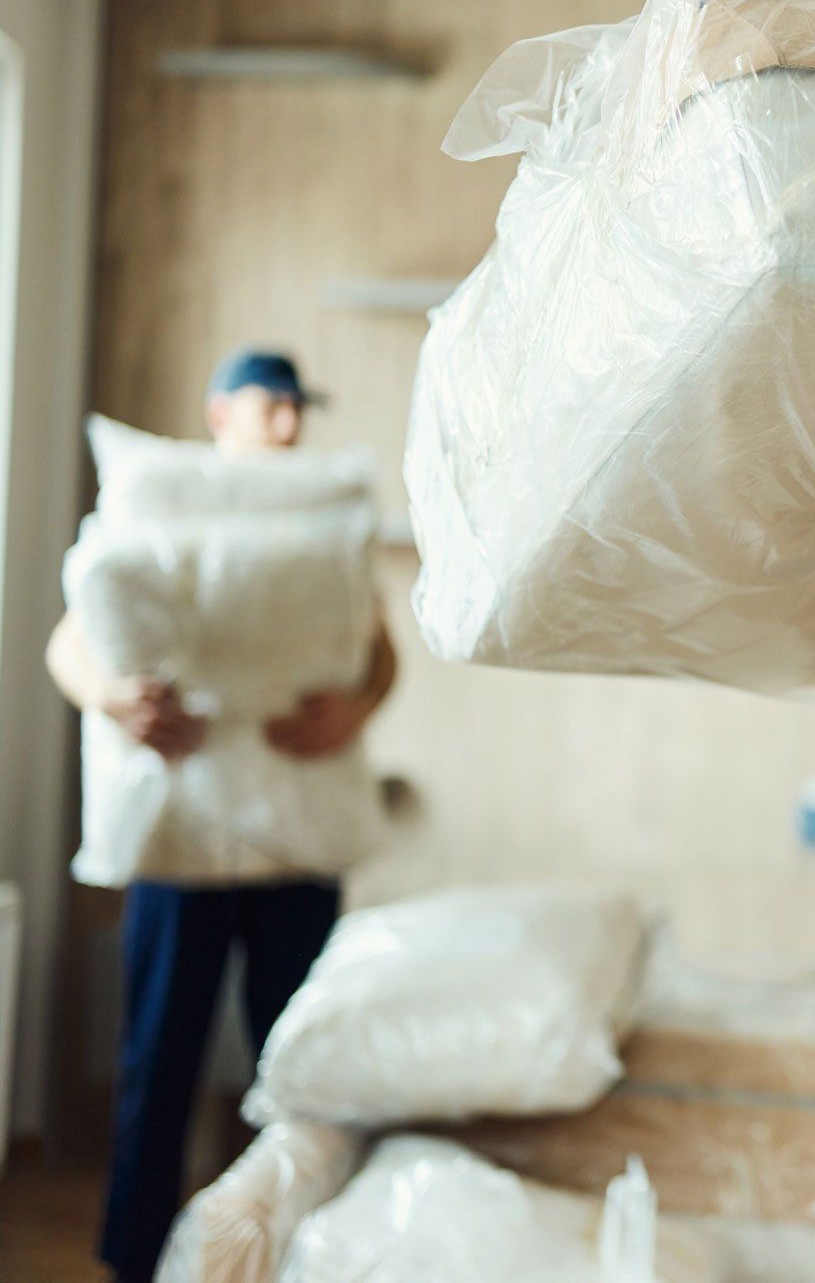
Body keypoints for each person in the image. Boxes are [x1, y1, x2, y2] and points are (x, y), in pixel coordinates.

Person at [45, 350, 397, 1283]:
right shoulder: (161, 506)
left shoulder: (324, 530)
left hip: (295, 838)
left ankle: (284, 1251)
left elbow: (379, 648)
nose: (286, 425)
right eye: (269, 405)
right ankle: (133, 1261)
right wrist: (113, 699)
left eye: (296, 410)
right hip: (184, 841)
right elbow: (71, 639)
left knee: (300, 1065)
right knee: (159, 1064)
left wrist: (356, 710)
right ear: (219, 412)